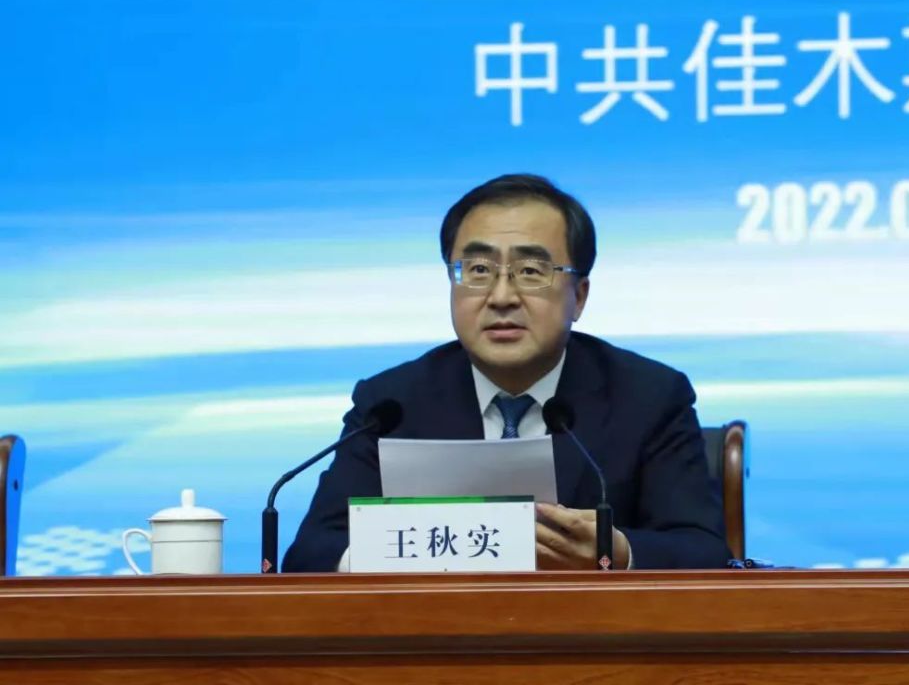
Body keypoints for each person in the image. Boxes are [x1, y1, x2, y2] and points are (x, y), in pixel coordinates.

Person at [283, 174, 730, 571]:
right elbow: (311, 554)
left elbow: (704, 551)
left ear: (579, 296)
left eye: (531, 271)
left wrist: (616, 551)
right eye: (478, 270)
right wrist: (393, 553)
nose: (501, 297)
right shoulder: (391, 404)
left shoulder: (649, 397)